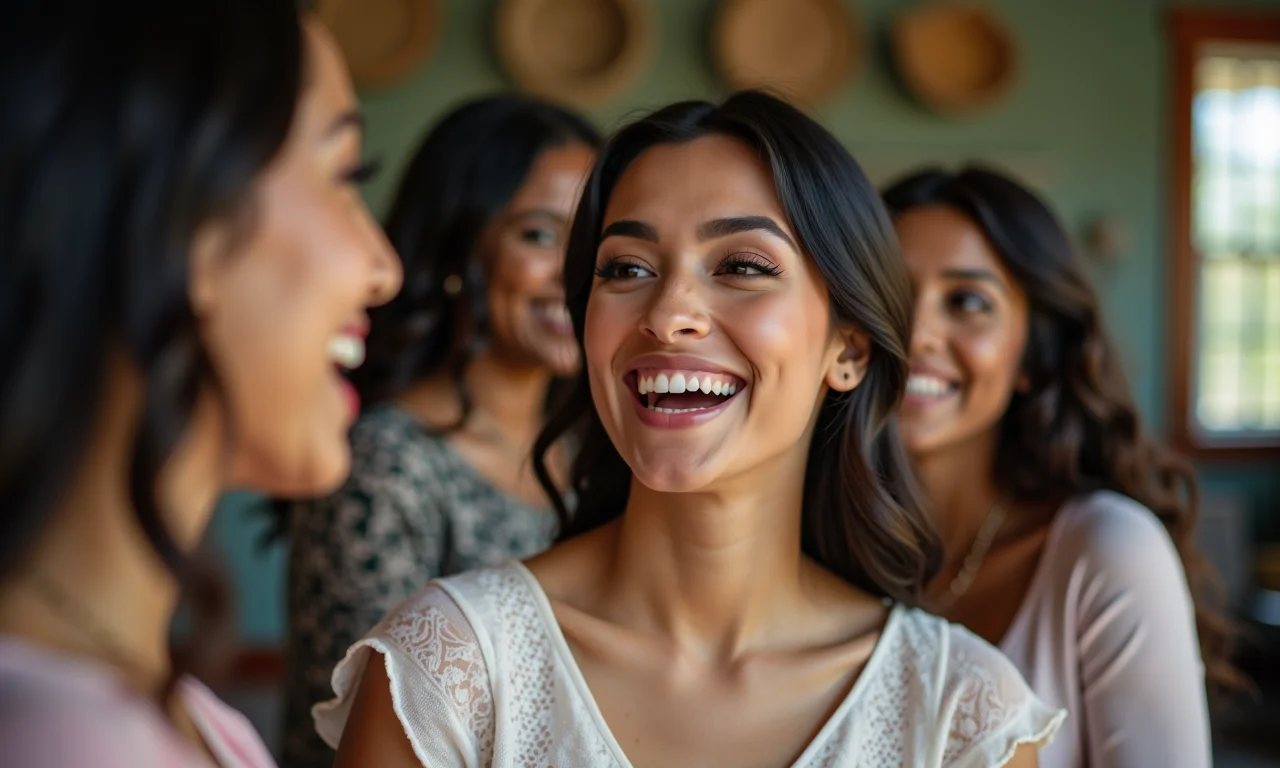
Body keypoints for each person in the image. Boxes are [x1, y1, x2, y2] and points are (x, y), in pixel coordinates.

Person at [314, 92, 1065, 767]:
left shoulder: (960, 713)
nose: (670, 313)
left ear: (849, 349)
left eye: (742, 266)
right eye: (626, 269)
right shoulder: (449, 670)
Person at [0, 2, 401, 766]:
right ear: (185, 223)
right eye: (345, 176)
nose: (384, 268)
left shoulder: (188, 717)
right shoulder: (59, 742)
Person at [274, 95, 600, 768]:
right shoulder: (385, 464)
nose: (577, 272)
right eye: (539, 235)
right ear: (459, 244)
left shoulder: (595, 454)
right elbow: (357, 728)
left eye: (596, 239)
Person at [883, 166, 1233, 768]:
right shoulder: (814, 551)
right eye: (888, 294)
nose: (916, 336)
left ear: (1032, 353)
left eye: (968, 302)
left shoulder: (1106, 550)